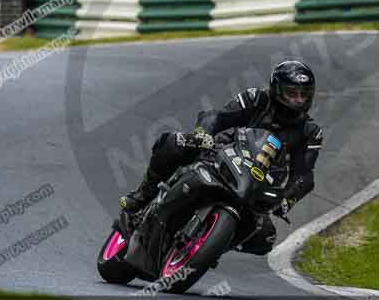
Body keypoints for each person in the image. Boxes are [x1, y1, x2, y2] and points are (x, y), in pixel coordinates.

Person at [120, 60, 323, 256]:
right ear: (277, 89)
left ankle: (210, 244)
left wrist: (287, 200)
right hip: (223, 155)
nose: (298, 100)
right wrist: (203, 135)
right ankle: (142, 195)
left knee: (264, 239)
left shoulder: (310, 132)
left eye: (303, 95)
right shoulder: (256, 99)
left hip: (258, 184)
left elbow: (304, 176)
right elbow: (216, 116)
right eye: (292, 93)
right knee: (173, 143)